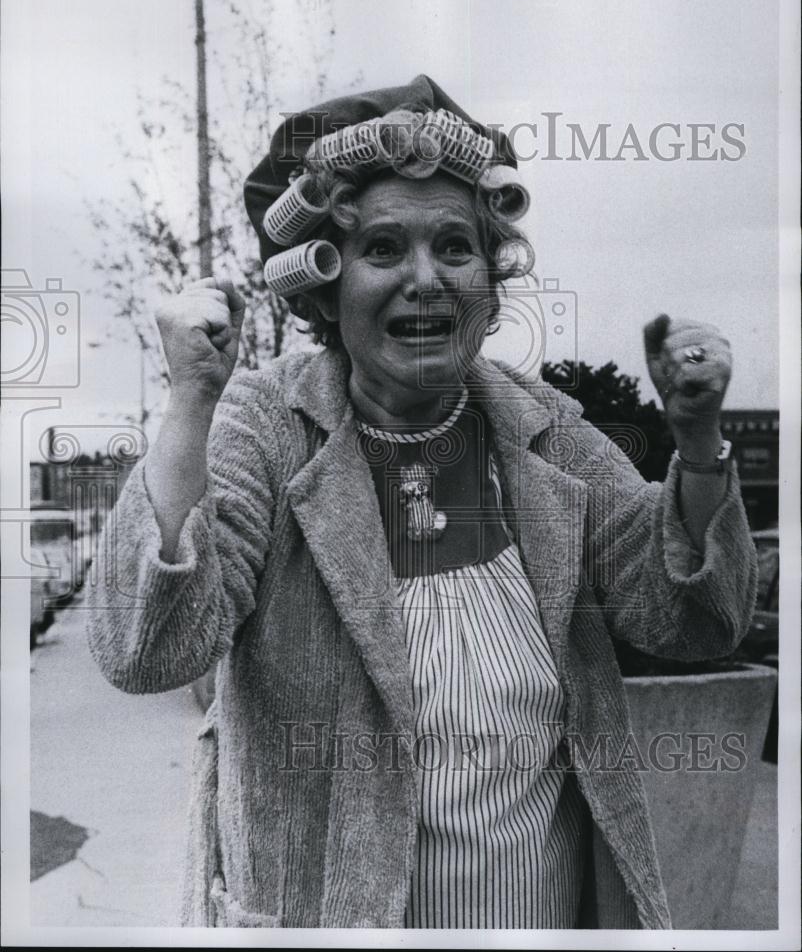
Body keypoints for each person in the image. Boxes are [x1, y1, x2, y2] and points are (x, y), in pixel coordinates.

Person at [86, 74, 757, 929]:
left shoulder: (544, 431)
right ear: (324, 287)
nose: (425, 278)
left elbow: (693, 620)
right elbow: (147, 649)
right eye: (381, 250)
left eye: (454, 245)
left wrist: (697, 444)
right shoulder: (265, 423)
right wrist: (189, 400)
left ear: (492, 274)